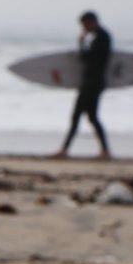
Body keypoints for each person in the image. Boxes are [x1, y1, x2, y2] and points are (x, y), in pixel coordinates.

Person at [53, 11, 112, 159]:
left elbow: (87, 58)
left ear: (91, 22)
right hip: (93, 83)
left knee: (78, 116)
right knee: (91, 117)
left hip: (92, 84)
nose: (83, 28)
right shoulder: (101, 37)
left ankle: (65, 150)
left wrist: (81, 42)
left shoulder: (101, 38)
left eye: (84, 24)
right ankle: (104, 151)